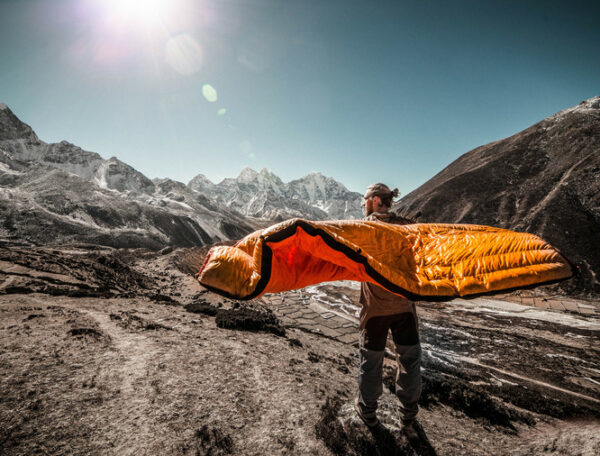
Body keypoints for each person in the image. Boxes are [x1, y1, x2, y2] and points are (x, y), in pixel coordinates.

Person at [354, 183, 421, 436]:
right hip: (404, 308)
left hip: (375, 312)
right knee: (410, 361)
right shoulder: (407, 227)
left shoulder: (362, 229)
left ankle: (368, 413)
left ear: (373, 200)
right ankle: (408, 418)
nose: (362, 204)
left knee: (371, 362)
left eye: (364, 199)